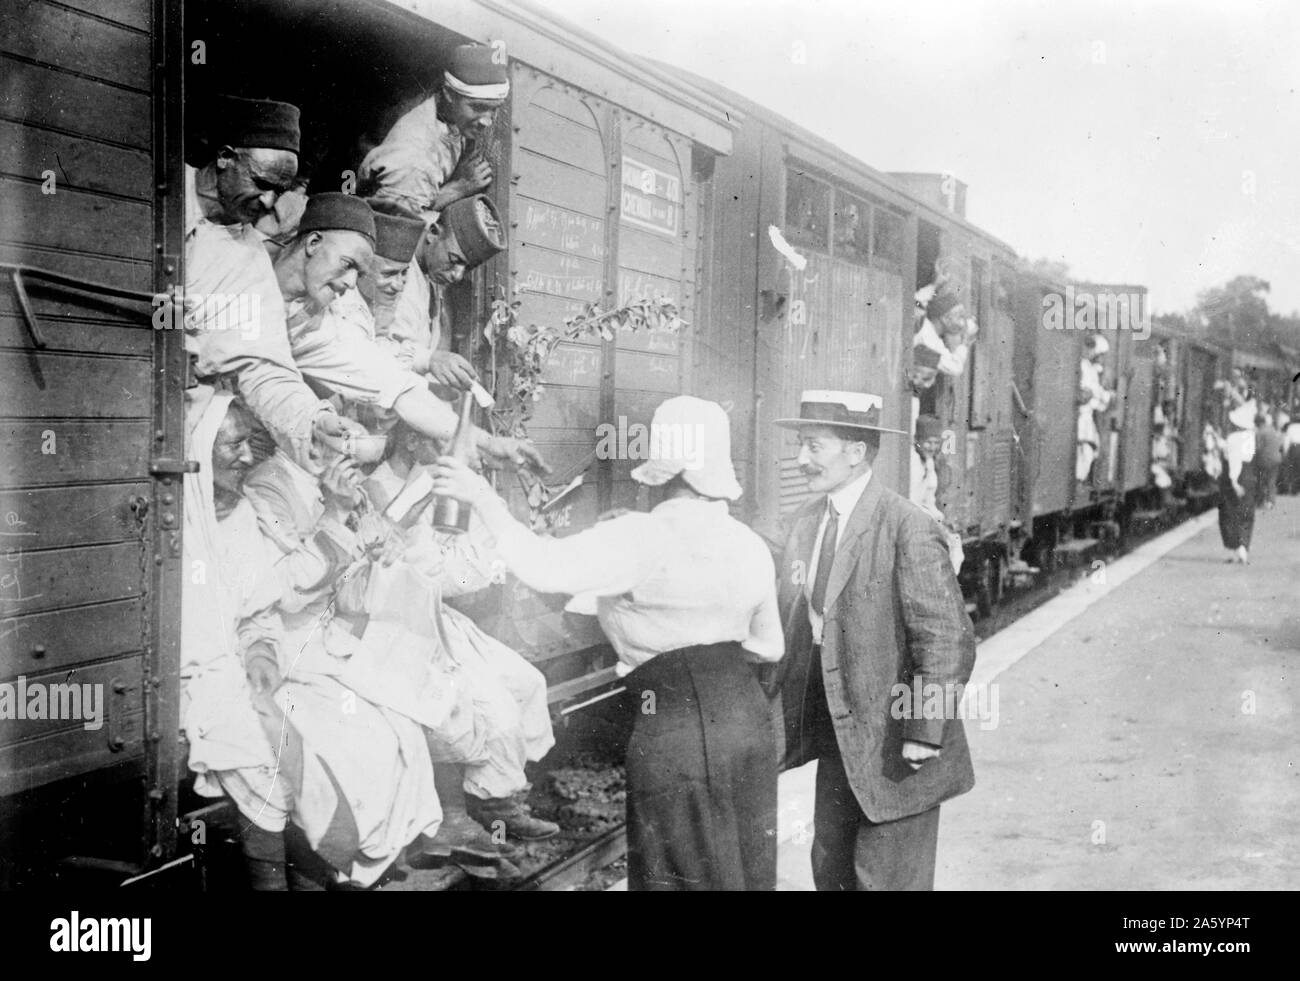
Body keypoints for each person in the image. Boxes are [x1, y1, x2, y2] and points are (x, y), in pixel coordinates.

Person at [431, 396, 784, 891]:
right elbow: (769, 645)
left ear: (665, 464)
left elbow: (543, 566)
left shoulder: (639, 535)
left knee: (678, 878)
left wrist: (483, 499)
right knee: (744, 875)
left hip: (676, 729)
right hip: (747, 726)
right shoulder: (747, 541)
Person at [180, 388, 444, 889]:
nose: (244, 455)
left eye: (245, 443)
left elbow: (262, 604)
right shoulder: (197, 523)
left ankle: (338, 866)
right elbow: (288, 590)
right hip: (199, 677)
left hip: (262, 663)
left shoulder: (239, 514)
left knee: (375, 728)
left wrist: (259, 646)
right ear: (197, 456)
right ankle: (277, 881)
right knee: (265, 750)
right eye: (230, 447)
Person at [767, 390, 976, 891]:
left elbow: (947, 638)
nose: (801, 460)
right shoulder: (805, 523)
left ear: (856, 452)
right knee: (833, 872)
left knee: (884, 880)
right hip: (837, 741)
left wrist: (924, 732)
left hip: (896, 748)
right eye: (801, 445)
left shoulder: (908, 526)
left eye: (814, 446)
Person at [366, 421, 559, 846]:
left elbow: (462, 568)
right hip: (401, 624)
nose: (450, 449)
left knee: (529, 683)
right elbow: (424, 567)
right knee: (496, 710)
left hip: (438, 615)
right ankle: (491, 810)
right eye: (439, 440)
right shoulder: (380, 488)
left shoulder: (433, 483)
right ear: (413, 440)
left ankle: (500, 800)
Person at [270, 192, 544, 472]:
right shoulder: (245, 269)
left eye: (359, 272)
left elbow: (392, 381)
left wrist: (483, 440)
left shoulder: (328, 322)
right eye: (348, 266)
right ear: (313, 243)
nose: (351, 283)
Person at [183, 95, 360, 468]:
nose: (268, 202)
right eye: (261, 182)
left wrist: (313, 419)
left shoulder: (249, 259)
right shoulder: (155, 193)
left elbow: (265, 369)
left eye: (279, 191)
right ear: (225, 157)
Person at [358, 42, 508, 219]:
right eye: (477, 107)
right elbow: (396, 228)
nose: (487, 121)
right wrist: (457, 189)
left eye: (494, 109)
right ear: (449, 94)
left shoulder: (443, 107)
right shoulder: (415, 158)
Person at [382, 194, 504, 395]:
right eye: (454, 260)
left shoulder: (432, 271)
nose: (457, 275)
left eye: (466, 267)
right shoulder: (396, 271)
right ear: (432, 233)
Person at [910, 414, 963, 575]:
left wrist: (941, 520)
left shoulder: (929, 462)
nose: (932, 447)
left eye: (935, 443)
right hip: (912, 520)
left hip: (924, 518)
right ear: (917, 440)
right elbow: (911, 501)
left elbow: (929, 501)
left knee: (953, 542)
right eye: (927, 442)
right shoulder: (912, 462)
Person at [1215, 413, 1256, 564]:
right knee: (1246, 512)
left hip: (1234, 476)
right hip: (1249, 475)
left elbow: (1234, 459)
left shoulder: (1234, 438)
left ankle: (1233, 548)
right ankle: (1243, 547)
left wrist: (1234, 481)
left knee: (1228, 512)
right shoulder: (1251, 437)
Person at [1076, 334, 1113, 483]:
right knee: (1085, 451)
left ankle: (1079, 479)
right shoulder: (1083, 366)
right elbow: (1089, 393)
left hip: (1087, 418)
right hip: (1081, 417)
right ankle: (1078, 480)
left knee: (1090, 450)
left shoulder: (1091, 368)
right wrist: (1104, 396)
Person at [1253, 412, 1283, 509]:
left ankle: (1261, 501)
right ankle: (1271, 501)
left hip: (1265, 460)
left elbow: (1258, 448)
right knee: (1272, 480)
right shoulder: (1272, 429)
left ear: (1258, 423)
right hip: (1276, 458)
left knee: (1261, 480)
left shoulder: (1260, 432)